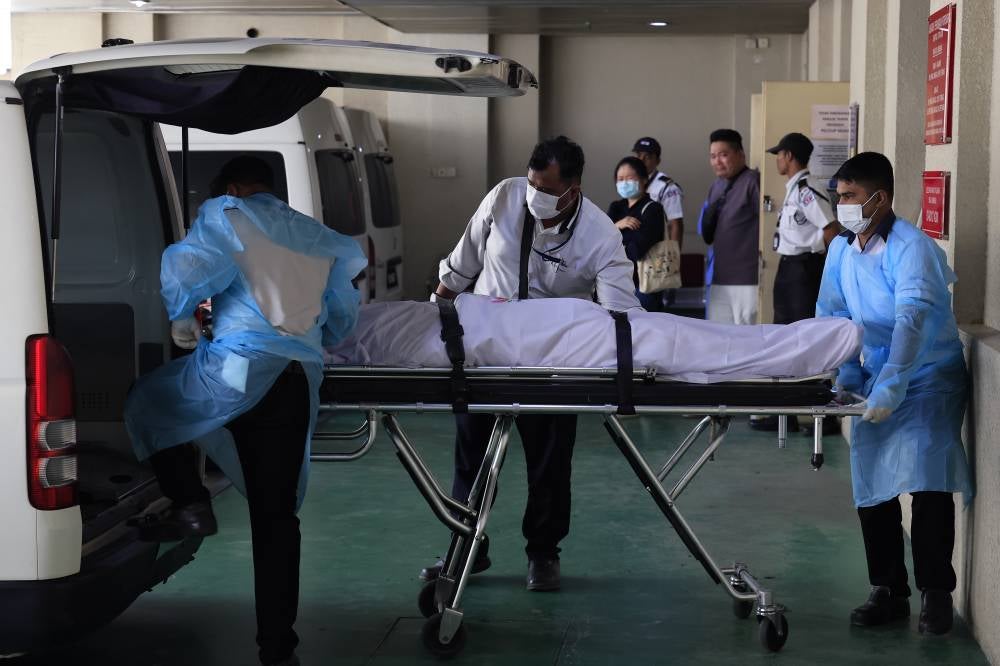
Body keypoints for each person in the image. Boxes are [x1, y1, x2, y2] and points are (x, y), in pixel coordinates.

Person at [124, 156, 367, 666]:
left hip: (240, 370)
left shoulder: (227, 212)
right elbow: (341, 319)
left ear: (233, 186)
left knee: (152, 403)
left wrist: (182, 319)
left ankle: (190, 501)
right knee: (276, 516)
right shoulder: (313, 233)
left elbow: (187, 267)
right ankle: (278, 647)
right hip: (299, 379)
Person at [429, 136, 640, 591]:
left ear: (573, 188)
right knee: (474, 459)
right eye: (531, 183)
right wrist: (432, 322)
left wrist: (631, 363)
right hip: (485, 352)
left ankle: (543, 553)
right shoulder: (504, 197)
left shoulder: (600, 235)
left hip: (553, 363)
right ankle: (466, 546)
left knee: (549, 462)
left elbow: (623, 313)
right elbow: (460, 267)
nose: (534, 194)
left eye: (546, 188)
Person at [815, 152, 972, 636]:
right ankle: (888, 589)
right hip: (876, 373)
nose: (841, 206)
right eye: (838, 197)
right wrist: (848, 374)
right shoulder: (842, 249)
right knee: (872, 484)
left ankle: (936, 593)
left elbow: (913, 320)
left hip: (928, 376)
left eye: (850, 197)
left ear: (880, 198)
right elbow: (832, 313)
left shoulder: (913, 248)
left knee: (928, 478)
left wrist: (894, 382)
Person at [751, 132, 840, 433]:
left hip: (804, 270)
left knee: (807, 340)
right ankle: (783, 415)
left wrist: (832, 272)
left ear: (788, 156)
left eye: (779, 154)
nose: (777, 159)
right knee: (784, 339)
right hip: (789, 269)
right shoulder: (793, 190)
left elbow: (831, 229)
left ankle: (823, 416)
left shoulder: (806, 190)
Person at [697, 129, 760, 324]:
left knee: (748, 339)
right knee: (720, 339)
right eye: (713, 156)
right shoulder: (716, 186)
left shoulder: (753, 181)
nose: (717, 161)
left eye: (724, 155)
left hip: (747, 281)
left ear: (741, 154)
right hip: (719, 279)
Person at [607, 156, 668, 311]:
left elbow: (638, 249)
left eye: (630, 178)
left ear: (644, 179)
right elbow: (602, 241)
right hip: (616, 283)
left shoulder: (653, 209)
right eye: (620, 179)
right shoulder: (616, 207)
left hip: (644, 284)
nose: (624, 183)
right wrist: (617, 226)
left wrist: (615, 250)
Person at [632, 136, 684, 248]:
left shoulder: (666, 187)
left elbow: (675, 224)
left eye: (647, 157)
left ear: (657, 161)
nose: (641, 160)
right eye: (639, 155)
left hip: (657, 252)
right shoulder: (630, 182)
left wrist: (674, 257)